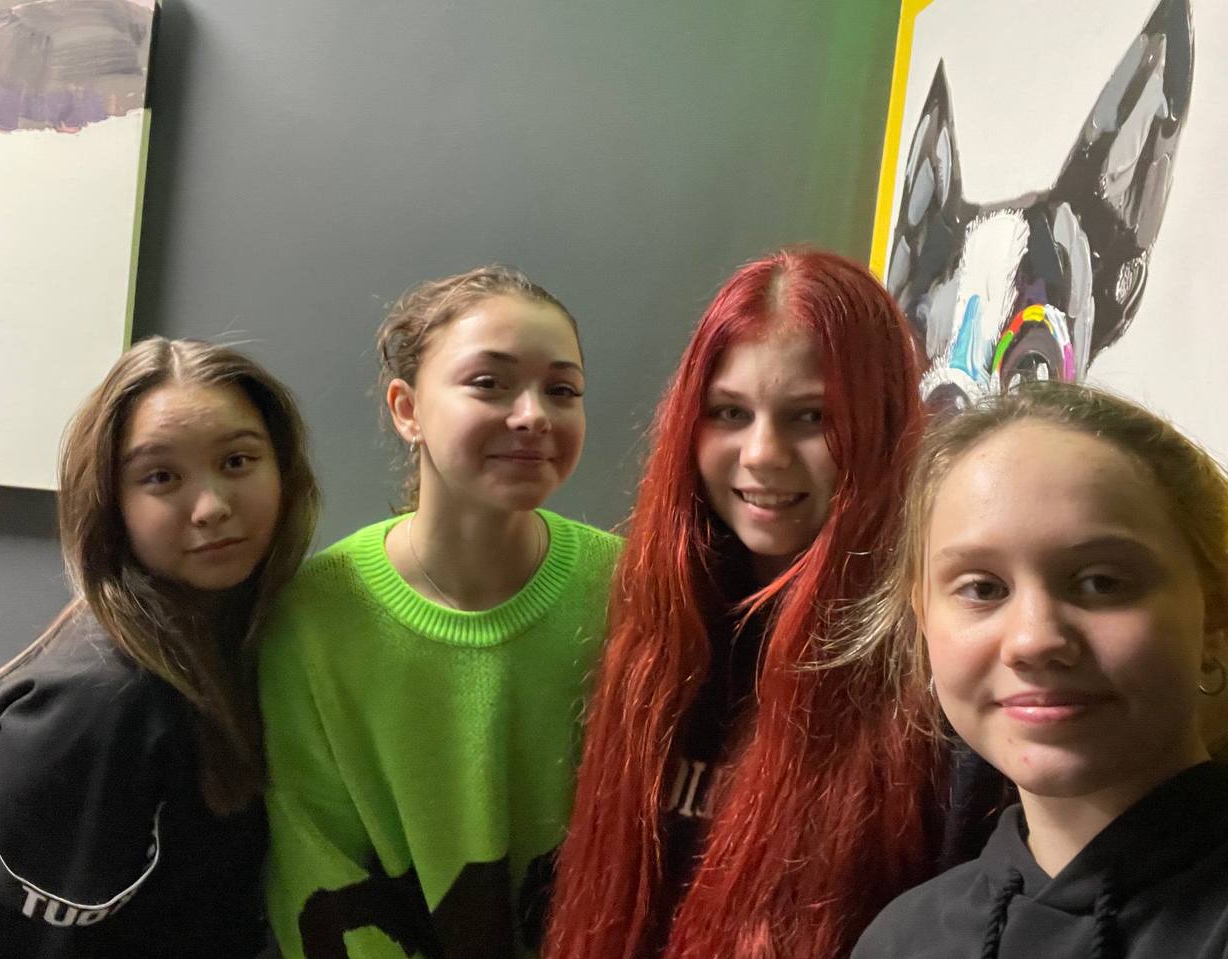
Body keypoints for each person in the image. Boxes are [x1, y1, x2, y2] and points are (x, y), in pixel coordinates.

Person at [544, 247, 943, 959]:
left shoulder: (928, 670)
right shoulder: (665, 622)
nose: (762, 453)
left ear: (879, 425)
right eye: (730, 412)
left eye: (811, 417)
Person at [260, 265, 622, 959]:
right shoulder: (312, 618)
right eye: (489, 382)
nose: (533, 415)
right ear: (407, 410)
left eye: (562, 390)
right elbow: (317, 871)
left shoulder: (631, 589)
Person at [0, 337, 320, 958]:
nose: (211, 507)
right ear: (111, 502)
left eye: (237, 462)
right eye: (161, 477)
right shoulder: (102, 702)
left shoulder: (253, 637)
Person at [851, 381, 1228, 959]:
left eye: (1101, 582)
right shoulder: (902, 939)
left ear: (1214, 614)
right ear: (923, 620)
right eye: (983, 588)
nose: (1033, 641)